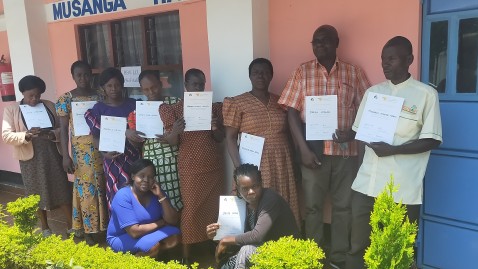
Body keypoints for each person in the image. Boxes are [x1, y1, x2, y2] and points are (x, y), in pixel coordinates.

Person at [345, 36, 442, 269]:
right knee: (358, 245)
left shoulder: (426, 95)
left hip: (402, 187)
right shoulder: (373, 93)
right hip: (367, 184)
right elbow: (359, 132)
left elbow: (432, 140)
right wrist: (345, 135)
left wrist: (393, 150)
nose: (385, 64)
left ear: (409, 59)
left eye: (392, 59)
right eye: (382, 59)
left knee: (396, 251)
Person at [278, 25, 371, 268]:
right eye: (315, 41)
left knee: (343, 208)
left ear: (336, 42)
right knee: (312, 208)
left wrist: (352, 132)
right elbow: (291, 112)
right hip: (313, 152)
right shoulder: (303, 71)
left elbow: (368, 112)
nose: (320, 45)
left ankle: (338, 258)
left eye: (325, 41)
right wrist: (303, 150)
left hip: (345, 153)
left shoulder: (354, 73)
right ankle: (314, 257)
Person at [223, 58, 300, 225]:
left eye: (265, 72)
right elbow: (230, 138)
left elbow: (289, 133)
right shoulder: (237, 103)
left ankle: (283, 238)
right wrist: (239, 169)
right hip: (253, 163)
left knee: (282, 197)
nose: (261, 76)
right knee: (255, 199)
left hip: (281, 160)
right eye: (256, 73)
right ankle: (254, 239)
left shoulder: (281, 102)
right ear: (250, 76)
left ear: (271, 76)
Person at [159, 68, 224, 264]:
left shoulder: (212, 108)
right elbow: (172, 142)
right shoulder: (175, 110)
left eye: (201, 84)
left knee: (213, 209)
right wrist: (176, 131)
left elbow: (220, 138)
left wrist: (215, 127)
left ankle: (211, 245)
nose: (198, 88)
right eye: (194, 84)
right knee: (191, 209)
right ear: (185, 86)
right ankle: (186, 254)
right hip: (190, 167)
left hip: (212, 165)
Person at [2, 75, 72, 236]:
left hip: (52, 153)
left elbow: (62, 128)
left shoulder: (49, 105)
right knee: (35, 193)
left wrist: (52, 133)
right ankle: (45, 227)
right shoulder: (12, 110)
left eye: (38, 95)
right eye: (30, 96)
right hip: (29, 158)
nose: (34, 99)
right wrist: (26, 135)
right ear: (22, 93)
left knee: (61, 188)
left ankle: (71, 225)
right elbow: (6, 135)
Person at [206, 164, 300, 269]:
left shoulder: (270, 199)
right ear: (238, 188)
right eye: (245, 189)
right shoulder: (238, 203)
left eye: (255, 186)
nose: (251, 192)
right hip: (260, 249)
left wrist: (225, 240)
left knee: (246, 250)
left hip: (282, 251)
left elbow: (256, 236)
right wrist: (216, 236)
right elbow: (235, 237)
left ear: (261, 183)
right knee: (225, 264)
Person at [56, 61, 107, 245]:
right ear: (73, 76)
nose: (83, 78)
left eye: (86, 74)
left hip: (102, 148)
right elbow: (63, 130)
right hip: (80, 153)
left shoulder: (101, 95)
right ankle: (87, 230)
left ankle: (103, 226)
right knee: (86, 191)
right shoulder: (66, 99)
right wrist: (65, 156)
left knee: (102, 186)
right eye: (79, 75)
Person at [126, 70, 184, 211]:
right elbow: (136, 144)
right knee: (156, 201)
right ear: (141, 90)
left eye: (154, 87)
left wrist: (173, 135)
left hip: (174, 161)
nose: (151, 92)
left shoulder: (176, 103)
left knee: (177, 199)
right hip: (151, 165)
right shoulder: (137, 112)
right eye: (146, 89)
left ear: (160, 84)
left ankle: (177, 230)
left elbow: (185, 134)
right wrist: (130, 134)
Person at [84, 67, 139, 212]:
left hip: (134, 156)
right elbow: (95, 135)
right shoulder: (98, 109)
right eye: (109, 86)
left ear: (122, 85)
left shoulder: (133, 104)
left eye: (117, 85)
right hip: (113, 159)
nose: (113, 89)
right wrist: (104, 154)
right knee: (116, 193)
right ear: (103, 88)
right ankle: (119, 228)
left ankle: (137, 225)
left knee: (136, 191)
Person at [107, 158, 181, 257]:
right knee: (153, 246)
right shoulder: (123, 195)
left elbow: (173, 221)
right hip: (122, 237)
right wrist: (162, 222)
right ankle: (139, 260)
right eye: (141, 176)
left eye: (150, 177)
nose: (146, 180)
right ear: (133, 176)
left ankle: (144, 255)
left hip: (148, 232)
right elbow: (134, 232)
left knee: (174, 238)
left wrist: (161, 196)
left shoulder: (156, 192)